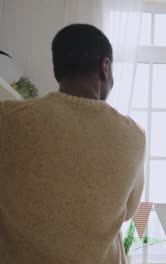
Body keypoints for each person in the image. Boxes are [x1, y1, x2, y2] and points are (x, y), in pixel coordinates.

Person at [0, 24, 145, 264]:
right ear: (105, 67)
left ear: (58, 69)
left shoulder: (8, 119)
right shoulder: (134, 136)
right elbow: (129, 211)